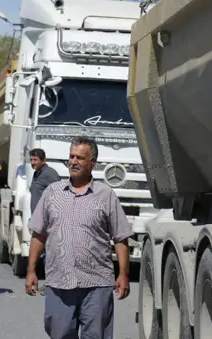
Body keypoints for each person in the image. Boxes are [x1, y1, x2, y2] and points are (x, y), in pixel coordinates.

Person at [25, 136, 133, 339]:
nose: (73, 161)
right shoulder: (52, 193)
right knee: (59, 333)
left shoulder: (105, 194)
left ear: (92, 163)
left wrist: (123, 274)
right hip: (59, 282)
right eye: (71, 156)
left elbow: (120, 237)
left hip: (96, 283)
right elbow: (38, 233)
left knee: (96, 336)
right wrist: (31, 270)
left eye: (80, 158)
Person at [28, 148, 61, 215]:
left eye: (35, 160)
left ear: (43, 160)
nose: (32, 162)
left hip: (45, 218)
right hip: (36, 217)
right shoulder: (36, 173)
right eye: (31, 160)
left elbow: (60, 194)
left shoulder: (50, 173)